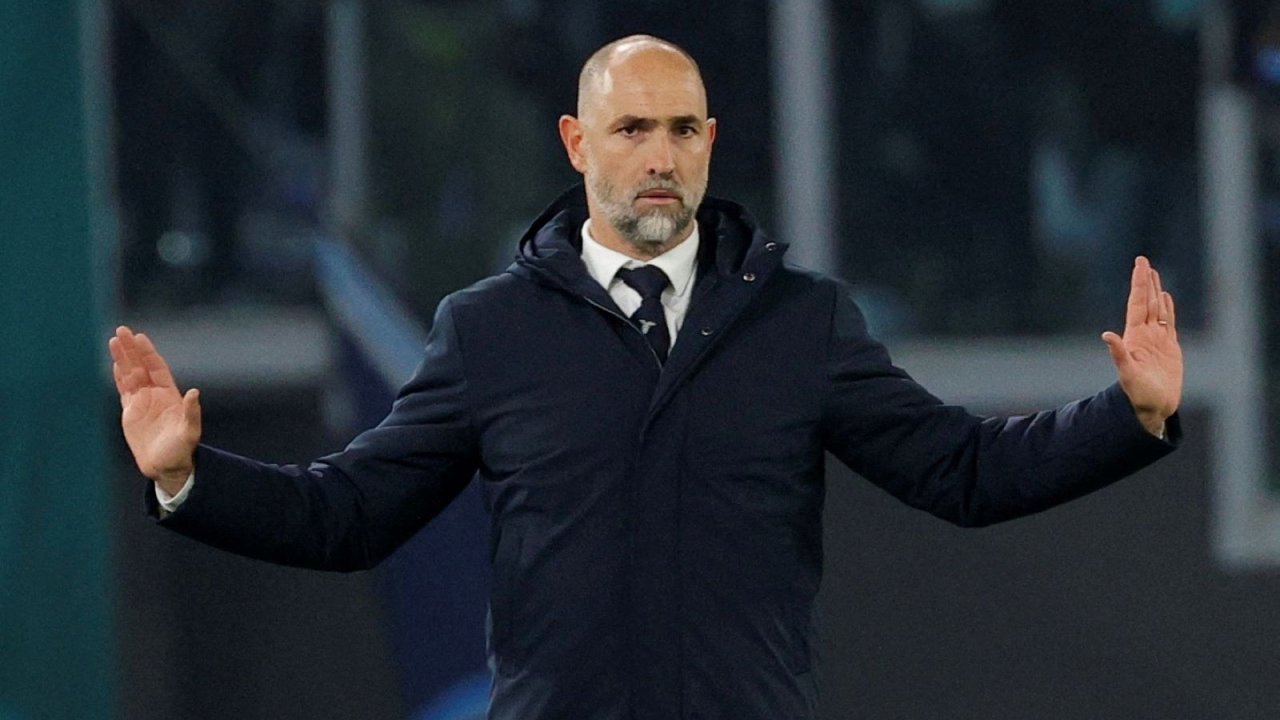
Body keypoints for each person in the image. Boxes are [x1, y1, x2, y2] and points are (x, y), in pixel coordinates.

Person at [109, 34, 1182, 720]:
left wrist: (1126, 414)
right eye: (631, 129)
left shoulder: (800, 322)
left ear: (710, 142)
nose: (660, 157)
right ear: (578, 143)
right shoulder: (488, 333)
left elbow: (966, 471)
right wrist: (187, 477)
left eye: (680, 130)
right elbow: (345, 513)